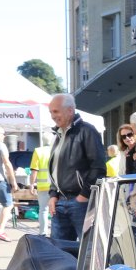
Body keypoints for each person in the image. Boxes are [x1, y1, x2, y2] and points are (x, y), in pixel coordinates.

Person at [46, 93, 106, 242]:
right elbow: (55, 168)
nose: (52, 116)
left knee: (89, 249)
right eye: (51, 112)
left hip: (81, 202)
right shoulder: (59, 134)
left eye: (56, 111)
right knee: (59, 250)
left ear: (70, 110)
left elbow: (98, 167)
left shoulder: (87, 131)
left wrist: (83, 196)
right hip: (61, 201)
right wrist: (53, 194)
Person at [28, 138, 54, 235]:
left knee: (43, 210)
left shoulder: (38, 151)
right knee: (55, 210)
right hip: (55, 187)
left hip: (42, 187)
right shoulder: (57, 149)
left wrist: (31, 184)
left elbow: (34, 170)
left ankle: (43, 233)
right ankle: (55, 233)